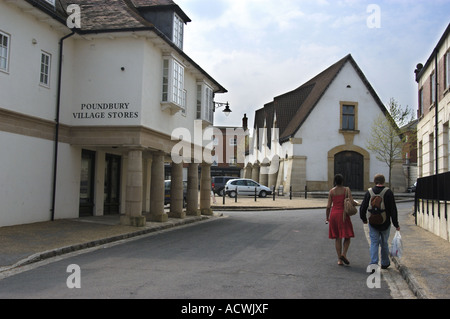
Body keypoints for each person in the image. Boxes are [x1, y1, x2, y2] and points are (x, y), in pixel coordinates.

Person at [360, 174, 400, 269]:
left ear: (375, 181)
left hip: (373, 222)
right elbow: (393, 209)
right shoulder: (388, 192)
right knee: (384, 242)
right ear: (384, 181)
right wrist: (396, 224)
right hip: (385, 222)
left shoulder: (369, 192)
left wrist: (364, 219)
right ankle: (385, 262)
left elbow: (363, 207)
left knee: (374, 243)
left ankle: (373, 263)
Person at [326, 174, 355, 266]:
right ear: (342, 181)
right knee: (347, 236)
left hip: (334, 215)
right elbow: (351, 201)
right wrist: (356, 204)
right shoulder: (346, 190)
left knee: (337, 237)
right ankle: (344, 254)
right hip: (343, 215)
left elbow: (328, 206)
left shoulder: (331, 191)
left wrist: (327, 217)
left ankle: (339, 259)